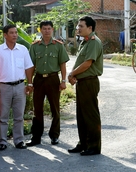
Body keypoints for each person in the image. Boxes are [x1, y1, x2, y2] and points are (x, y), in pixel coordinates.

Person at [0, 24, 34, 151]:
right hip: (4, 87)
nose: (15, 35)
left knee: (19, 115)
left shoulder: (23, 49)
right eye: (12, 33)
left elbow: (28, 67)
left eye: (16, 32)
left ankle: (19, 140)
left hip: (20, 85)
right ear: (5, 35)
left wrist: (29, 83)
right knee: (3, 116)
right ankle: (2, 141)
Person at [27, 20, 70, 146]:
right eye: (44, 29)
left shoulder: (58, 45)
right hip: (39, 79)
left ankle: (54, 135)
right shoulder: (35, 46)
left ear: (52, 30)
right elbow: (31, 66)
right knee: (37, 109)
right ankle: (36, 137)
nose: (46, 31)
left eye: (49, 28)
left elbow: (62, 64)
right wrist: (29, 83)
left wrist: (63, 80)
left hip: (53, 79)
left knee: (55, 108)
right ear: (40, 30)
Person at [67, 16, 104, 156]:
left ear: (90, 28)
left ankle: (94, 146)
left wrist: (72, 74)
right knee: (82, 115)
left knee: (91, 115)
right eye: (78, 26)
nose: (78, 28)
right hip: (83, 82)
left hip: (89, 82)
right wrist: (75, 75)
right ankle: (83, 143)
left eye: (81, 26)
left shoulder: (94, 42)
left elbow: (88, 63)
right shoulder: (85, 42)